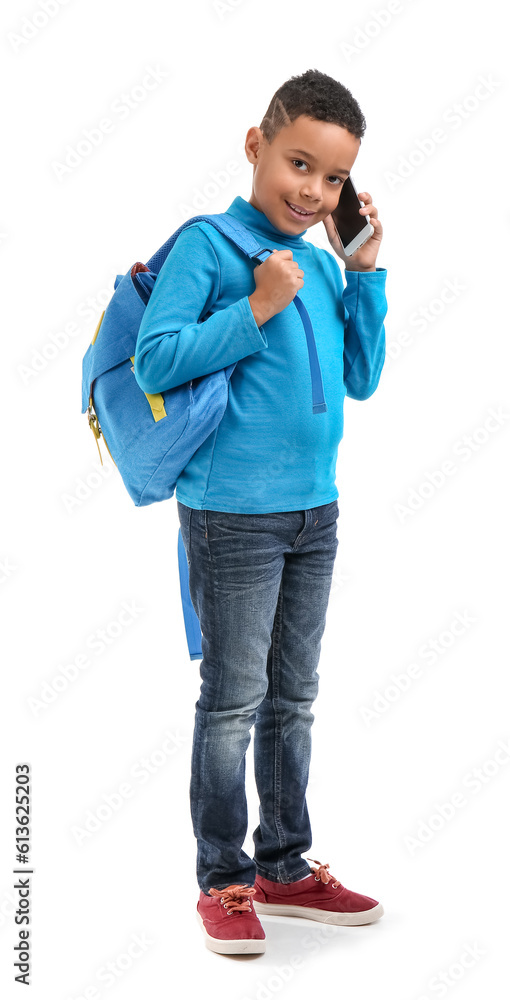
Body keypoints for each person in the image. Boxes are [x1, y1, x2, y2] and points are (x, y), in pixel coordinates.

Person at [134, 68, 388, 956]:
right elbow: (155, 361)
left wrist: (365, 276)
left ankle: (284, 864)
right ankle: (224, 879)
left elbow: (360, 378)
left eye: (331, 179)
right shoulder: (210, 246)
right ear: (256, 146)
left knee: (295, 698)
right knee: (234, 698)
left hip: (314, 514)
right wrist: (255, 306)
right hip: (232, 517)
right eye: (297, 163)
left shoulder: (320, 260)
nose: (311, 191)